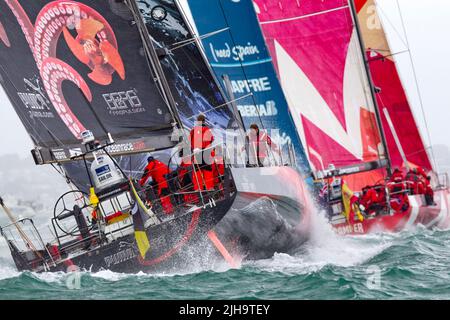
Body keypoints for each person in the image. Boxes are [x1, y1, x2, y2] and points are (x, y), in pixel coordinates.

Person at [189, 114, 215, 191]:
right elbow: (211, 139)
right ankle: (209, 188)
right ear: (204, 121)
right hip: (206, 152)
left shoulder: (193, 130)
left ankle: (198, 189)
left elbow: (189, 141)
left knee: (197, 172)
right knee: (207, 171)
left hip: (196, 152)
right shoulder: (207, 129)